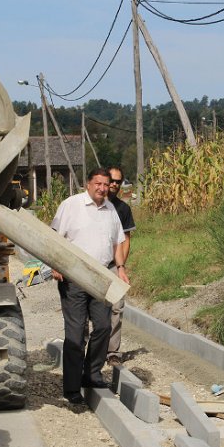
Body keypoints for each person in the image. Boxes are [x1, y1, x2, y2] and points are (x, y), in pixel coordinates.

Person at [51, 168, 130, 405]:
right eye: (98, 184)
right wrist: (56, 264)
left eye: (106, 185)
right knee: (75, 333)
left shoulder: (110, 210)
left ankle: (92, 374)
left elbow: (118, 241)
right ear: (88, 183)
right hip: (73, 275)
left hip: (101, 276)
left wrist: (121, 268)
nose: (103, 189)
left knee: (104, 326)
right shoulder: (71, 205)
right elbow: (54, 236)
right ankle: (72, 387)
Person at [106, 166, 136, 366]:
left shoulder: (123, 209)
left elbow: (126, 239)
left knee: (116, 307)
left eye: (118, 181)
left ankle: (112, 352)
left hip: (112, 264)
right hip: (89, 262)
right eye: (112, 180)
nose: (115, 184)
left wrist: (120, 266)